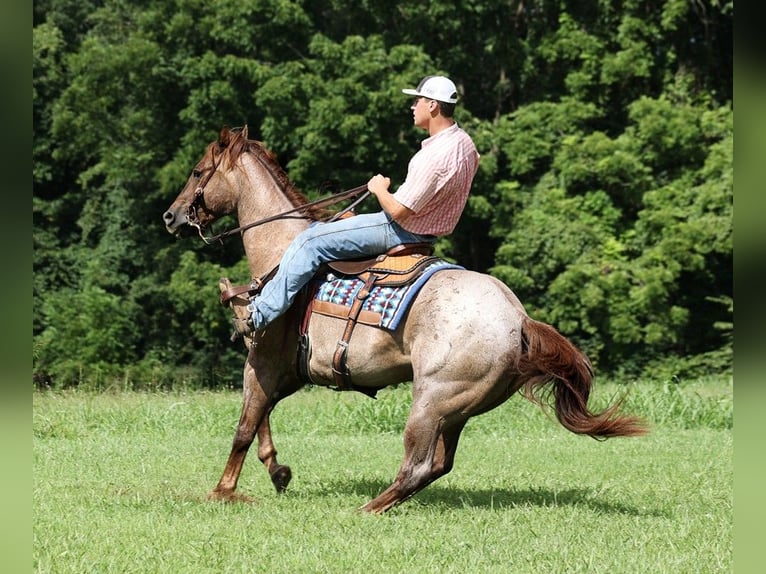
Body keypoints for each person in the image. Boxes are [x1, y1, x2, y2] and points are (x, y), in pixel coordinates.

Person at [236, 74, 480, 335]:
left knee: (310, 241)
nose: (412, 107)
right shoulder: (466, 145)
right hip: (427, 232)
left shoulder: (432, 156)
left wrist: (379, 189)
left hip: (398, 229)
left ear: (432, 105)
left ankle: (259, 314)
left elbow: (397, 210)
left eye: (417, 100)